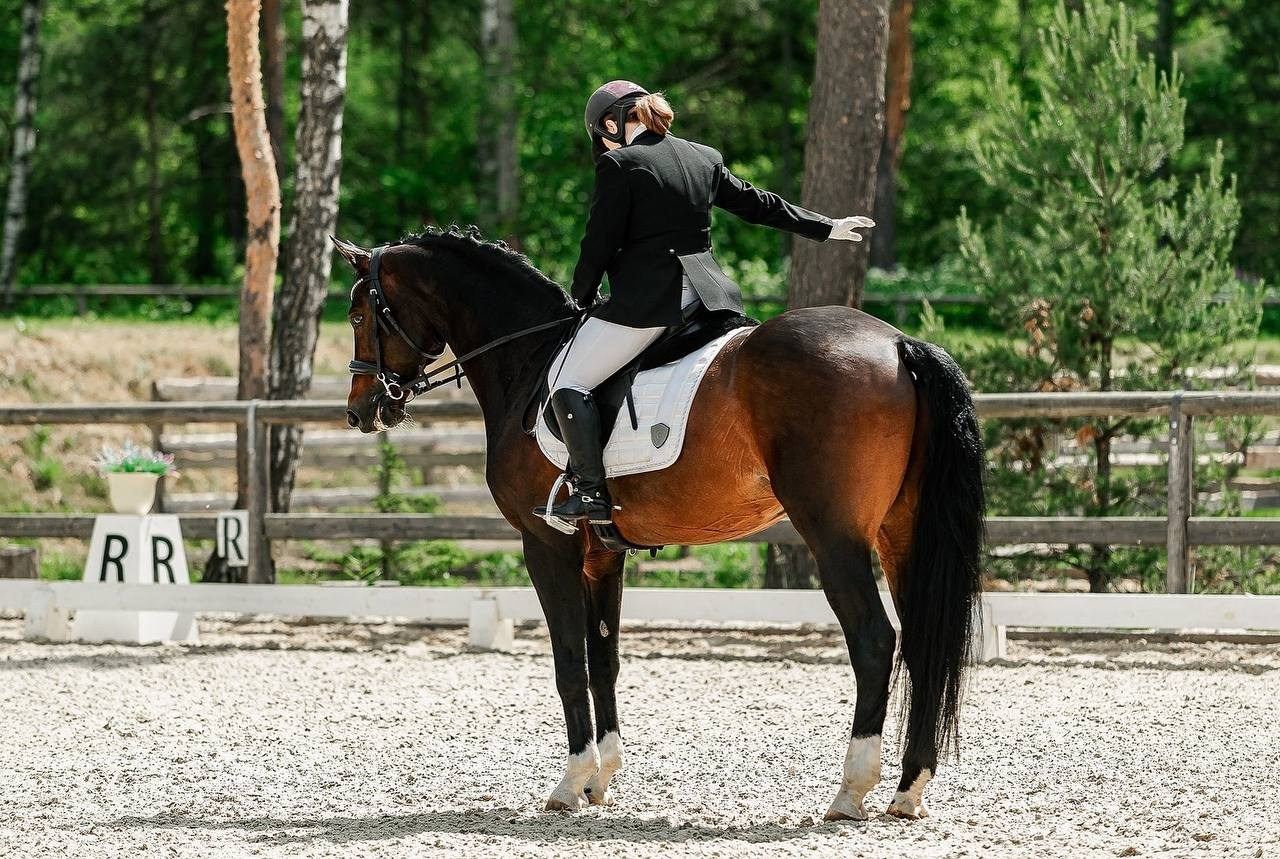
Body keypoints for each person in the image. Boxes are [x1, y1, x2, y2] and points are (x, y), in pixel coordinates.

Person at [537, 79, 874, 526]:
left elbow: (597, 244)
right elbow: (760, 204)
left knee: (569, 383)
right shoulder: (703, 156)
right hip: (710, 299)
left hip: (651, 304)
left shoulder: (620, 165)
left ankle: (590, 492)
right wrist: (826, 227)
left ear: (609, 124)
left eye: (599, 134)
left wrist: (581, 296)